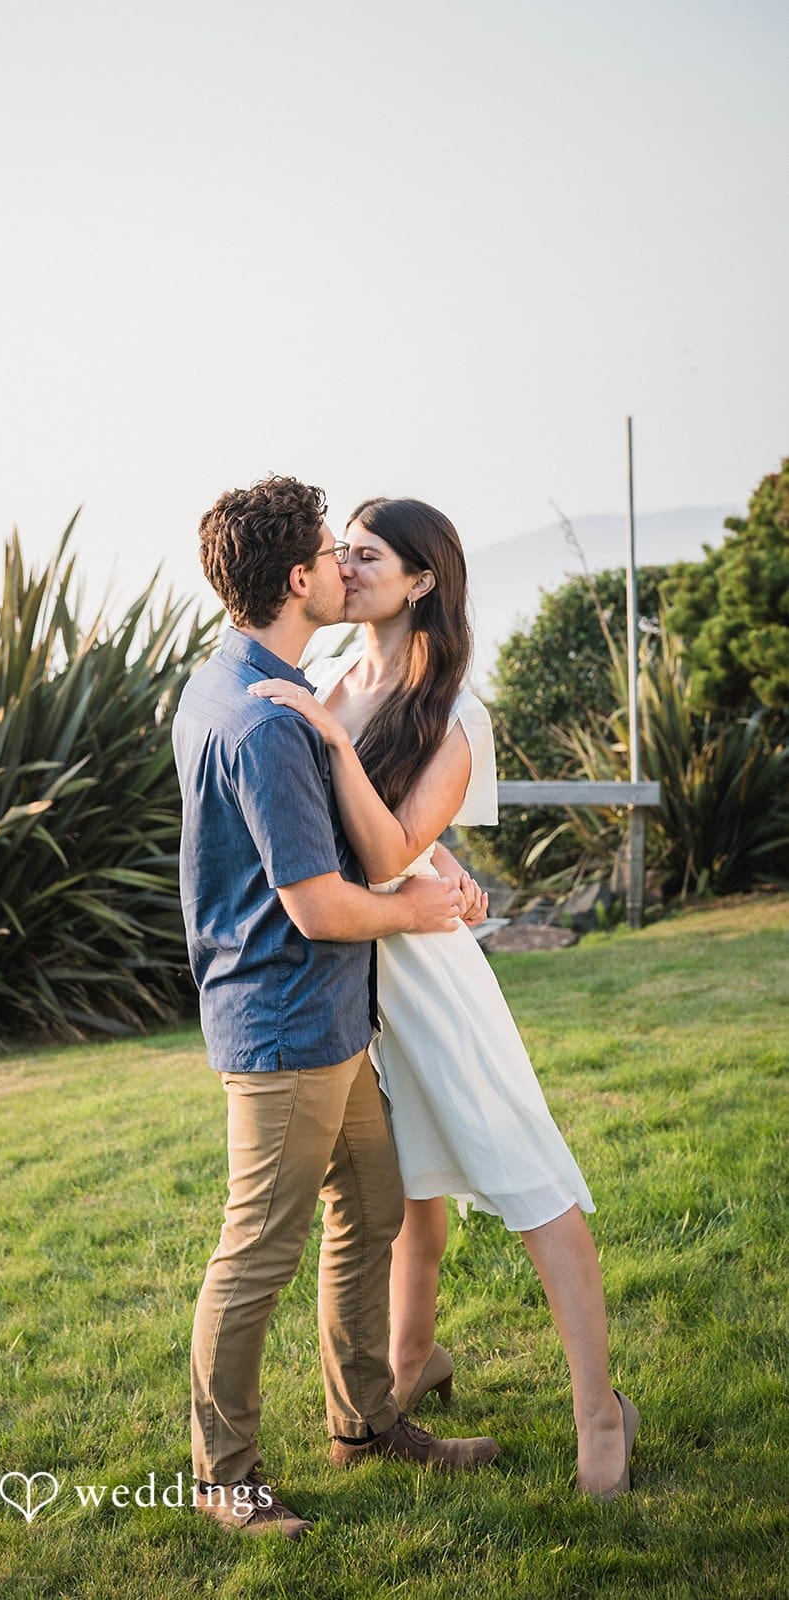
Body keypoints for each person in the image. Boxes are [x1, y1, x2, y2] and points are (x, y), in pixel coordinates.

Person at [249, 495, 639, 1500]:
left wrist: (339, 753)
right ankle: (410, 1361)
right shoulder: (334, 679)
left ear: (421, 581)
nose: (346, 566)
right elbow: (364, 839)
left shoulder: (456, 712)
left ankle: (600, 1409)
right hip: (354, 975)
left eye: (368, 555)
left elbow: (386, 845)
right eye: (343, 551)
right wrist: (444, 861)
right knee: (406, 1191)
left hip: (428, 978)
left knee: (527, 1180)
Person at [171, 476, 501, 1541]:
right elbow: (316, 906)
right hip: (284, 1025)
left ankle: (365, 1423)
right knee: (256, 1252)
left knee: (370, 1201)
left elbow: (346, 837)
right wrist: (416, 906)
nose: (343, 565)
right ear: (295, 579)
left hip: (325, 1019)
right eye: (329, 550)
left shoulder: (232, 679)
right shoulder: (266, 721)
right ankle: (224, 1478)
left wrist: (428, 864)